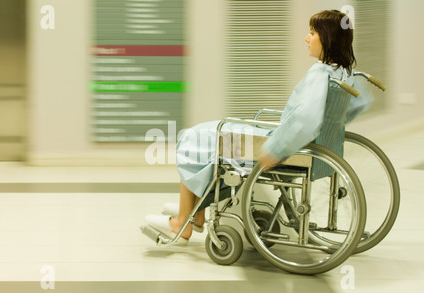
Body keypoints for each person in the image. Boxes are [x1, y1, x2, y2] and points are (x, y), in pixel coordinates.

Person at [145, 10, 374, 244]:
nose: (306, 38)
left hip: (283, 145)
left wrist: (276, 148)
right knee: (207, 134)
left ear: (327, 38)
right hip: (306, 146)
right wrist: (331, 125)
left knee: (194, 137)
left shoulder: (319, 73)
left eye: (312, 33)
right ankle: (197, 211)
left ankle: (184, 221)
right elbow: (359, 104)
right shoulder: (345, 73)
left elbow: (305, 120)